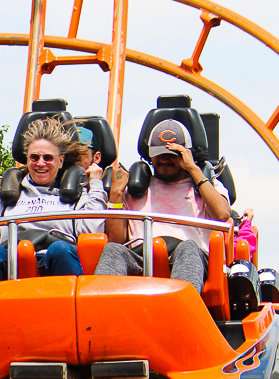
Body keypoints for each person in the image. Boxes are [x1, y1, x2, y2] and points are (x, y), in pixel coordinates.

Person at [0, 117, 107, 286]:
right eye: (34, 157)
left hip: (53, 265)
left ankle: (66, 309)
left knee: (60, 249)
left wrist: (95, 185)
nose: (40, 163)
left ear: (61, 161)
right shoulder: (9, 197)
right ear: (27, 160)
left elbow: (92, 230)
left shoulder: (76, 197)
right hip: (10, 265)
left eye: (48, 158)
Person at [94, 119, 230, 292]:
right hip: (142, 255)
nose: (165, 159)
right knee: (113, 250)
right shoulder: (135, 190)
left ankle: (180, 312)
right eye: (159, 154)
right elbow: (117, 240)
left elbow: (222, 215)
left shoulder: (206, 186)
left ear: (186, 154)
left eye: (172, 154)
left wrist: (194, 169)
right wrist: (116, 194)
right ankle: (100, 311)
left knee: (187, 249)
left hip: (189, 255)